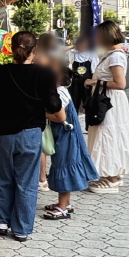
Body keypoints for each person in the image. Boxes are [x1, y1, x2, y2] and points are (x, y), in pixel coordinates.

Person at [0, 31, 65, 241]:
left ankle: (1, 220)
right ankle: (21, 229)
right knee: (27, 182)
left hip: (3, 134)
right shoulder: (45, 74)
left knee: (3, 177)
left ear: (11, 49)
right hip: (30, 133)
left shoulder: (0, 72)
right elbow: (54, 105)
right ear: (35, 49)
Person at [85, 21, 129, 194]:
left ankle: (111, 178)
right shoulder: (112, 53)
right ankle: (113, 175)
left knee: (108, 136)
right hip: (108, 100)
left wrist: (95, 82)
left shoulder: (115, 56)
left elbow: (120, 83)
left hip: (109, 102)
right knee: (110, 136)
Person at [43, 62, 99, 219]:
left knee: (64, 165)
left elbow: (60, 117)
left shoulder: (58, 93)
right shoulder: (62, 91)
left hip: (65, 136)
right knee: (65, 164)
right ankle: (65, 203)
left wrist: (40, 114)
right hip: (67, 135)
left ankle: (62, 207)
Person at [34, 32, 62, 192]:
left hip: (43, 103)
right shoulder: (54, 58)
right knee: (43, 144)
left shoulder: (42, 59)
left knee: (41, 145)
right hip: (48, 101)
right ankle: (43, 178)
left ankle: (42, 178)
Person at [66, 34, 99, 113]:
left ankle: (89, 124)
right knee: (74, 105)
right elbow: (59, 51)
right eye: (81, 43)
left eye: (85, 44)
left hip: (87, 83)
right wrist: (73, 46)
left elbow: (94, 71)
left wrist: (93, 86)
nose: (83, 46)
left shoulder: (92, 54)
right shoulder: (73, 53)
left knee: (88, 106)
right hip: (74, 83)